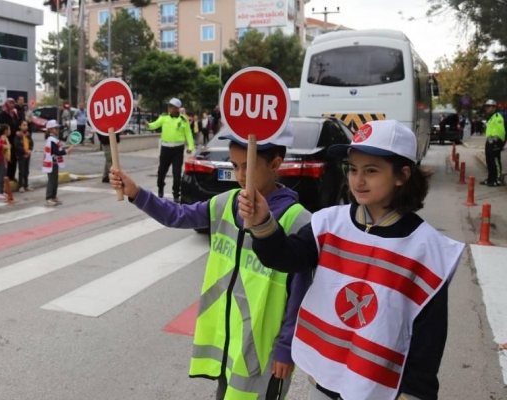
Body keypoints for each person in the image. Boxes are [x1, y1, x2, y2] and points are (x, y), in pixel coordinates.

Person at [239, 120, 464, 400]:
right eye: (353, 169)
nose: (357, 180)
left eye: (371, 171)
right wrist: (262, 221)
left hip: (381, 386)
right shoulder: (329, 223)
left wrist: (416, 392)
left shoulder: (429, 249)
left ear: (402, 175)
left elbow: (428, 337)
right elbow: (285, 257)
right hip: (323, 376)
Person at [109, 125, 311, 400]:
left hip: (265, 353)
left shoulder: (298, 220)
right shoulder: (226, 203)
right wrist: (136, 193)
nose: (240, 176)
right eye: (235, 166)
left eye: (247, 167)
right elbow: (178, 215)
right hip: (229, 343)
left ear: (275, 164)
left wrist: (286, 348)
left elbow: (300, 294)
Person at [144, 98, 195, 202]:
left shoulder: (183, 120)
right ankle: (160, 188)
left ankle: (176, 194)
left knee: (177, 174)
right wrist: (148, 125)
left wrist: (190, 147)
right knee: (161, 171)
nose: (169, 108)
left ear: (177, 108)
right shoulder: (164, 118)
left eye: (172, 107)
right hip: (166, 149)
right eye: (169, 106)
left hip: (178, 149)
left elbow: (188, 134)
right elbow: (155, 124)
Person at [42, 120, 73, 206]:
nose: (57, 130)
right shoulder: (51, 139)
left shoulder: (53, 139)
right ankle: (49, 198)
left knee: (55, 181)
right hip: (51, 163)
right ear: (51, 129)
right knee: (51, 181)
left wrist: (66, 149)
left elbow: (58, 149)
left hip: (54, 163)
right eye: (55, 128)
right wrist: (67, 151)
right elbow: (56, 152)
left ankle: (53, 197)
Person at [483, 99, 505, 186]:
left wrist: (496, 139)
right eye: (486, 106)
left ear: (494, 107)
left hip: (495, 141)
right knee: (489, 161)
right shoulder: (491, 117)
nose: (486, 108)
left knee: (495, 161)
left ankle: (497, 179)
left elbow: (501, 130)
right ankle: (490, 178)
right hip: (489, 141)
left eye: (488, 106)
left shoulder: (497, 116)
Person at [12, 120, 34, 192]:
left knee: (26, 170)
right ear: (20, 126)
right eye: (23, 125)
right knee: (21, 170)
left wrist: (30, 150)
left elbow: (31, 143)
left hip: (28, 154)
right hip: (21, 155)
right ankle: (20, 185)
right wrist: (24, 151)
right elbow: (17, 146)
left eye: (26, 125)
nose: (25, 127)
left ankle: (26, 185)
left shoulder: (28, 135)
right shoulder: (18, 135)